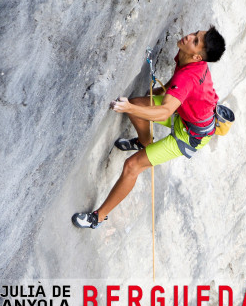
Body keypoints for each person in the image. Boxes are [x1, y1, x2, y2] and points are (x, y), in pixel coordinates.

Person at [72, 26, 226, 229]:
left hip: (190, 135)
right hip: (188, 116)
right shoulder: (185, 55)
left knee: (131, 166)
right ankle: (145, 142)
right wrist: (148, 96)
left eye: (195, 41)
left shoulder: (188, 77)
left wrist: (128, 107)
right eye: (195, 34)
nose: (189, 37)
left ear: (198, 57)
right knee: (138, 103)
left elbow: (165, 111)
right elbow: (176, 79)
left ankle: (98, 218)